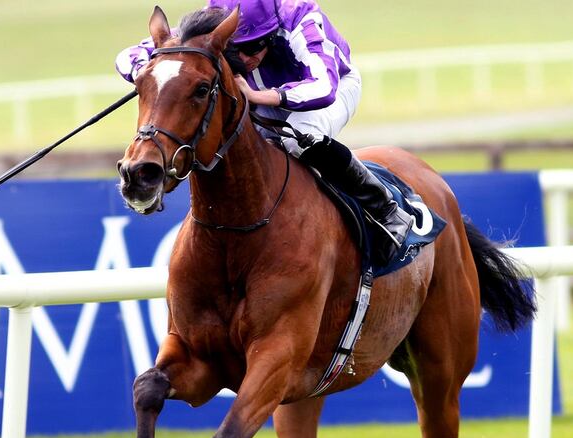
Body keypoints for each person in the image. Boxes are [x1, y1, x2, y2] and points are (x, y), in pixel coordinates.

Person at [116, 0, 414, 262]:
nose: (245, 58)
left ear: (272, 33)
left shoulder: (300, 17)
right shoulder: (212, 21)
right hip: (256, 92)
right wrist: (151, 73)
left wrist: (263, 97)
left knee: (298, 137)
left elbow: (324, 87)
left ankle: (384, 208)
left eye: (255, 46)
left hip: (329, 90)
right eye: (237, 48)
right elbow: (129, 55)